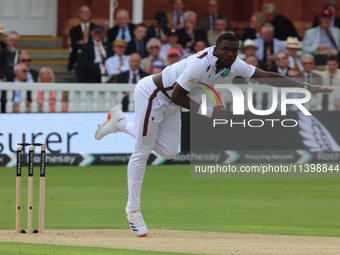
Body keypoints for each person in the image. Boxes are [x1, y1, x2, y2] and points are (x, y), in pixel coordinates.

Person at [94, 33, 332, 237]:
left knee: (169, 151)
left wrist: (306, 88)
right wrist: (210, 113)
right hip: (153, 95)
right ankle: (133, 210)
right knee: (142, 151)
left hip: (174, 104)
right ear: (215, 50)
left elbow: (269, 77)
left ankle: (121, 122)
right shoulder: (200, 63)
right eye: (225, 50)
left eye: (234, 51)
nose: (230, 54)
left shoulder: (236, 64)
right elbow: (177, 95)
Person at [68, 5, 97, 75]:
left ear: (90, 14)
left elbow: (96, 43)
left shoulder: (96, 28)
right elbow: (74, 45)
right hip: (79, 55)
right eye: (83, 12)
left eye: (87, 12)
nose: (85, 14)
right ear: (79, 14)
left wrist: (83, 42)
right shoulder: (74, 30)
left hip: (93, 54)